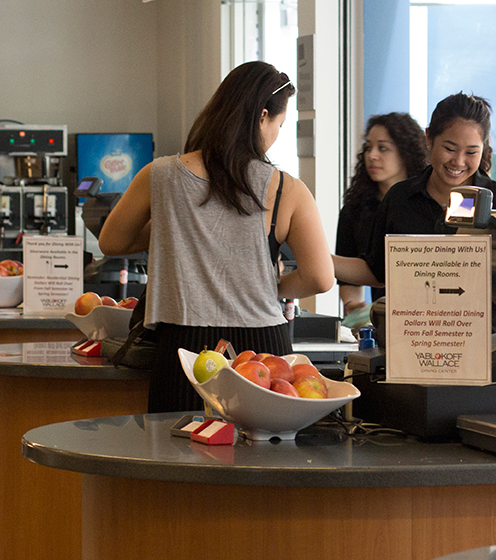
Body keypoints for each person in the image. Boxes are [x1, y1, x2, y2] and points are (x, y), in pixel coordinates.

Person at [99, 61, 335, 413]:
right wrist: (277, 287)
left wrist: (177, 230)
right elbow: (320, 277)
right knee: (265, 458)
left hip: (184, 345)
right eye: (279, 125)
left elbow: (112, 242)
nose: (276, 135)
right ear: (262, 116)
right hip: (264, 348)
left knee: (181, 456)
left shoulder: (160, 174)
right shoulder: (288, 188)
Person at [332, 92, 496, 288]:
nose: (458, 161)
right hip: (414, 318)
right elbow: (377, 272)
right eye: (449, 149)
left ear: (483, 148)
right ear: (429, 139)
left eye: (471, 152)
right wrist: (316, 258)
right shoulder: (401, 199)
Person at [335, 112, 427, 315]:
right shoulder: (353, 210)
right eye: (368, 148)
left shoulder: (425, 203)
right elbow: (349, 277)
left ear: (406, 153)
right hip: (383, 319)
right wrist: (352, 306)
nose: (372, 155)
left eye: (383, 148)